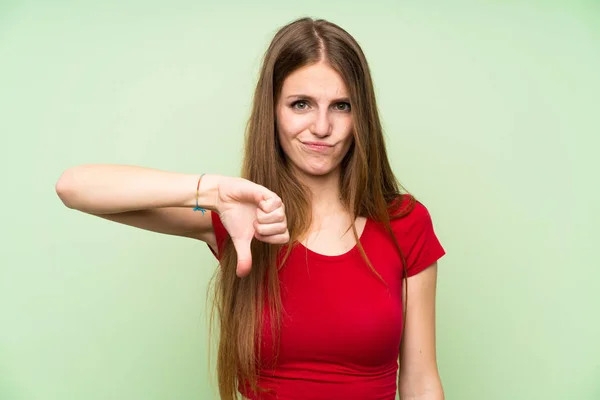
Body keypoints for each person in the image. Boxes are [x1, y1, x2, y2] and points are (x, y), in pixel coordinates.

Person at [55, 17, 446, 400]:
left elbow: (421, 384)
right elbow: (74, 187)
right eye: (301, 104)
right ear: (272, 110)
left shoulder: (405, 223)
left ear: (361, 115)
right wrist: (212, 191)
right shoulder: (237, 215)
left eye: (341, 106)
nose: (322, 126)